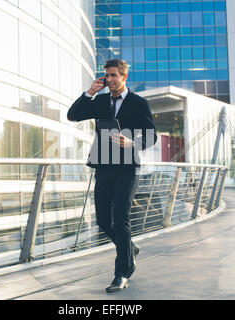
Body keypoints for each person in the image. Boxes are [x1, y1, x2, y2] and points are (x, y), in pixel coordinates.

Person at [67, 59, 157, 292]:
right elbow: (73, 115)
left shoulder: (139, 103)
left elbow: (151, 135)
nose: (109, 80)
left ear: (124, 77)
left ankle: (121, 273)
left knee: (121, 218)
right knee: (103, 221)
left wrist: (133, 142)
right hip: (104, 166)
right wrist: (89, 92)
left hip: (127, 168)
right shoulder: (99, 101)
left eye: (114, 75)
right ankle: (129, 248)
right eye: (107, 76)